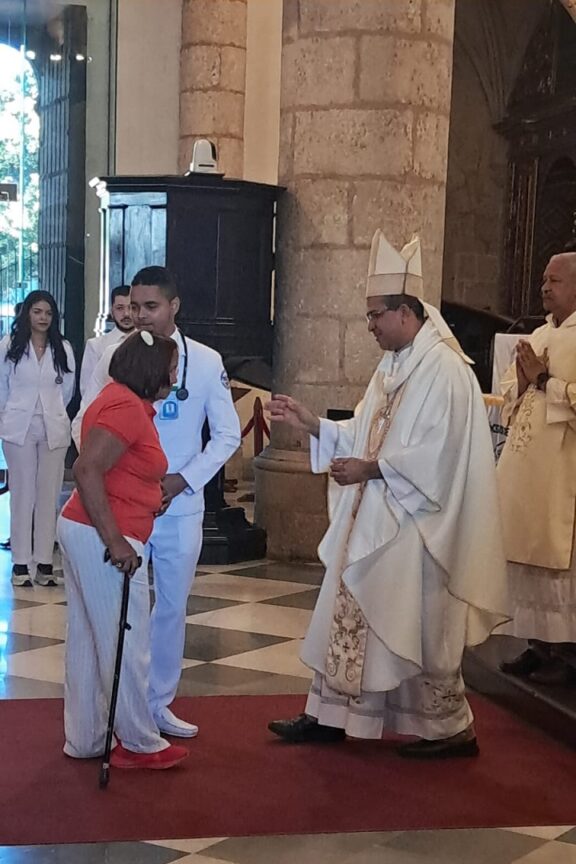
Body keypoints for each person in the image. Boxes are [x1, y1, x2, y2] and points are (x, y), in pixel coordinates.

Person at [268, 231, 509, 758]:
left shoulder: (445, 370)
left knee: (413, 625)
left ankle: (448, 729)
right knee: (347, 609)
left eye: (376, 315)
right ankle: (332, 714)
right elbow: (364, 428)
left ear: (406, 311)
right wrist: (314, 425)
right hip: (376, 510)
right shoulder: (394, 364)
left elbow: (440, 455)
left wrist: (371, 468)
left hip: (418, 523)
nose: (370, 326)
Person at [73, 266, 241, 738]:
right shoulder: (111, 355)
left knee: (169, 607)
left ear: (174, 306)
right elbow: (84, 421)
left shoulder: (205, 362)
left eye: (151, 306)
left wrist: (182, 481)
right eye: (135, 306)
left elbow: (227, 434)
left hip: (178, 506)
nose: (141, 315)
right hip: (122, 506)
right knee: (120, 608)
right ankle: (117, 704)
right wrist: (120, 478)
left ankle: (157, 702)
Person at [58, 329, 189, 770]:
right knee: (125, 638)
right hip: (104, 535)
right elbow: (87, 468)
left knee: (87, 637)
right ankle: (138, 741)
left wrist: (150, 492)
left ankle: (87, 737)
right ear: (150, 371)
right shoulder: (126, 407)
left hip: (87, 528)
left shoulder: (123, 400)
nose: (174, 376)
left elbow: (118, 469)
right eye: (170, 369)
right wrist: (115, 541)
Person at [498, 250, 576, 685]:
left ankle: (567, 652)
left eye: (556, 281)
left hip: (564, 471)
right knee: (526, 561)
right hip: (527, 469)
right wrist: (527, 381)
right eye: (544, 279)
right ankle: (536, 643)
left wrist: (547, 381)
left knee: (559, 564)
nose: (545, 287)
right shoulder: (539, 334)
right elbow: (512, 395)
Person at [0, 290, 75, 587]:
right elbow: (1, 387)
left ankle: (44, 561)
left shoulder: (63, 348)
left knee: (48, 495)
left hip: (53, 427)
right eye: (37, 312)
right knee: (22, 494)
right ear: (27, 314)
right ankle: (20, 562)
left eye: (48, 313)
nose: (43, 318)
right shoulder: (9, 346)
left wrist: (54, 411)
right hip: (19, 426)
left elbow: (67, 390)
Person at [79, 285, 133, 397]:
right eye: (120, 308)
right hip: (106, 410)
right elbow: (87, 390)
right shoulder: (95, 346)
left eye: (131, 307)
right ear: (111, 311)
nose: (126, 314)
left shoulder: (149, 343)